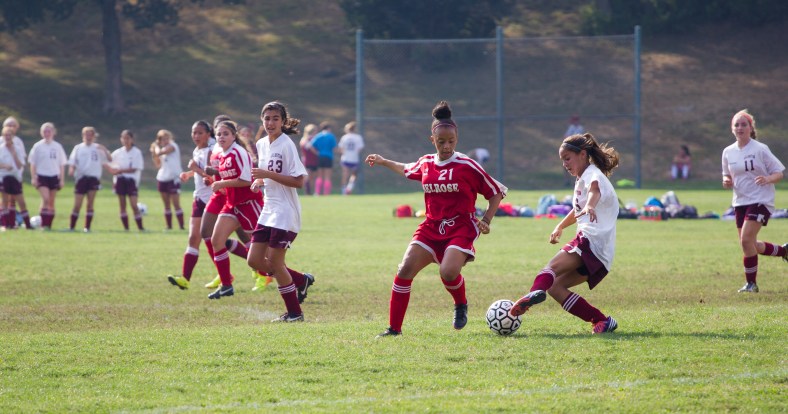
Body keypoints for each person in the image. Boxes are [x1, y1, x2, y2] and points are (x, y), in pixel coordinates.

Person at [366, 100, 506, 337]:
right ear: (432, 140)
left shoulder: (467, 165)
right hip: (431, 226)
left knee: (448, 272)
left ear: (457, 138)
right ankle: (394, 329)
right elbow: (406, 168)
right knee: (404, 270)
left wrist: (487, 220)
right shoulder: (427, 162)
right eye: (441, 142)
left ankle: (460, 304)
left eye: (451, 141)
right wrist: (383, 161)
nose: (447, 146)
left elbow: (496, 193)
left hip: (461, 226)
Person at [510, 132, 620, 335]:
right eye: (562, 160)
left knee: (550, 268)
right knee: (555, 287)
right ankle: (602, 321)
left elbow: (595, 191)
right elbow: (577, 209)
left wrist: (590, 205)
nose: (565, 164)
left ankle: (532, 294)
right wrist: (560, 226)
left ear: (583, 154)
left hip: (590, 241)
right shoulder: (582, 178)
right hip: (602, 254)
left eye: (567, 158)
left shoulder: (593, 175)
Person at [247, 101, 315, 322]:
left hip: (285, 212)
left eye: (275, 118)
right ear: (262, 120)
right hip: (268, 209)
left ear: (283, 121)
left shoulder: (287, 144)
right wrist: (260, 180)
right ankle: (300, 280)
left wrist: (267, 174)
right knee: (254, 260)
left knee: (275, 262)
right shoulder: (261, 144)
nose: (270, 123)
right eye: (267, 118)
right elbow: (268, 173)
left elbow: (298, 181)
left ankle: (295, 313)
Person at [721, 109, 786, 293]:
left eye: (744, 124)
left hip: (760, 199)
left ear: (751, 128)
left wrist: (767, 179)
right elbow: (727, 174)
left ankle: (751, 284)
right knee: (750, 244)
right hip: (740, 201)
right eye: (736, 124)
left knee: (746, 240)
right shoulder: (728, 152)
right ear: (732, 129)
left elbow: (779, 173)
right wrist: (726, 181)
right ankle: (784, 251)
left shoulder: (760, 149)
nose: (740, 127)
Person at [205, 120, 263, 299]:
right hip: (232, 205)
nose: (221, 137)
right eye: (218, 134)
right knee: (216, 240)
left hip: (249, 204)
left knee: (264, 255)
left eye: (225, 134)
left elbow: (246, 180)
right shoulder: (223, 153)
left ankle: (298, 280)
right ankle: (226, 285)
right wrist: (217, 177)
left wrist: (222, 182)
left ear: (233, 135)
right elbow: (229, 176)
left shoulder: (239, 152)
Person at [167, 120, 215, 289]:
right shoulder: (197, 150)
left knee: (216, 241)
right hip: (199, 199)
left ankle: (258, 271)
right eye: (194, 132)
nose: (196, 136)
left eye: (200, 133)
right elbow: (199, 171)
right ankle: (185, 279)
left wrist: (195, 168)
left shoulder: (211, 151)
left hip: (212, 201)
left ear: (208, 135)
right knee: (193, 238)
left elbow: (211, 179)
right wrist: (189, 173)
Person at [67, 126, 112, 232]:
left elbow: (109, 159)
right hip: (81, 178)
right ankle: (72, 227)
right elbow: (72, 161)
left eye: (90, 134)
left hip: (93, 178)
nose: (88, 136)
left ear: (93, 136)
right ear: (83, 135)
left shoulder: (98, 148)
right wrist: (71, 169)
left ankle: (87, 227)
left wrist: (105, 149)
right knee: (77, 204)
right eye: (86, 134)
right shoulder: (78, 148)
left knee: (90, 204)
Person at [28, 122, 68, 230]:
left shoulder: (57, 146)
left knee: (51, 201)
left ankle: (48, 225)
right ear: (41, 133)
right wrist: (33, 177)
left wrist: (62, 179)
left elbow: (61, 164)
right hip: (42, 176)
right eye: (44, 131)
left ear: (53, 132)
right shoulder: (38, 146)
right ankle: (43, 225)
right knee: (45, 199)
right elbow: (33, 163)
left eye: (49, 131)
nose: (47, 133)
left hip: (54, 176)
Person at [109, 130, 145, 231]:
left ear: (132, 139)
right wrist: (112, 170)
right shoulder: (117, 152)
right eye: (123, 138)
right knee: (122, 205)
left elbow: (134, 168)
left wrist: (120, 170)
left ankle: (140, 227)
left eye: (127, 138)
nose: (125, 140)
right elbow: (109, 163)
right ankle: (126, 228)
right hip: (120, 181)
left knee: (134, 205)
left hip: (131, 181)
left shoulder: (136, 152)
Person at [150, 129, 184, 230]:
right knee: (167, 205)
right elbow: (158, 164)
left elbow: (160, 152)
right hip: (162, 178)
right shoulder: (161, 150)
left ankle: (181, 226)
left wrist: (155, 147)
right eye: (162, 139)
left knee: (176, 204)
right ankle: (169, 226)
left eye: (166, 138)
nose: (165, 141)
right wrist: (154, 155)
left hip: (173, 178)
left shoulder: (173, 146)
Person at [0, 126, 27, 229]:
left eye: (9, 135)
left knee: (19, 201)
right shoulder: (1, 149)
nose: (7, 137)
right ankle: (5, 224)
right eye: (5, 135)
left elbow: (20, 165)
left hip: (15, 177)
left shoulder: (17, 148)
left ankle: (26, 225)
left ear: (13, 136)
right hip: (3, 177)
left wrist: (14, 155)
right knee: (5, 201)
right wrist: (5, 166)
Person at [308, 121, 337, 195]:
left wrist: (317, 153)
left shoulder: (318, 136)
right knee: (327, 176)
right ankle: (326, 193)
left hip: (320, 157)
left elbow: (310, 146)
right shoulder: (331, 136)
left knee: (319, 176)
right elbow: (334, 148)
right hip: (328, 157)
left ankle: (317, 192)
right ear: (329, 128)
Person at [338, 121, 365, 195]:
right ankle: (349, 188)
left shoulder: (344, 137)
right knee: (353, 175)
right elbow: (360, 148)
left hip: (345, 158)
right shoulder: (358, 137)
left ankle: (344, 191)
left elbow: (341, 149)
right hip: (354, 159)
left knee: (345, 175)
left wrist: (345, 153)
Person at [299, 124, 319, 195]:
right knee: (310, 177)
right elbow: (312, 149)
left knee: (309, 177)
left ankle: (309, 191)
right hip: (310, 160)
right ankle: (309, 192)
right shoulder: (310, 139)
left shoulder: (303, 139)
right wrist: (319, 154)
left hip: (306, 159)